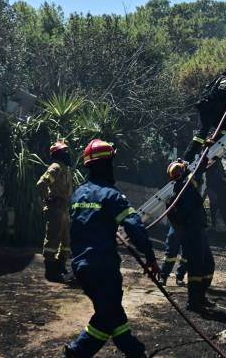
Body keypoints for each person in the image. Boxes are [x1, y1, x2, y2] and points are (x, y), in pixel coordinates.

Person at [64, 139, 160, 358]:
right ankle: (76, 352)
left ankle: (134, 351)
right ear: (108, 164)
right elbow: (134, 226)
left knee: (111, 310)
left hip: (81, 267)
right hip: (104, 267)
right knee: (106, 316)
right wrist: (151, 257)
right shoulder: (112, 195)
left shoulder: (78, 195)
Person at [165, 160, 216, 313]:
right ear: (182, 172)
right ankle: (194, 302)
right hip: (192, 233)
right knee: (197, 269)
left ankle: (200, 297)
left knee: (207, 265)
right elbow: (199, 169)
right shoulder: (185, 186)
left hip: (197, 231)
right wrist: (204, 154)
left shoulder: (182, 187)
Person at [36, 140, 74, 283]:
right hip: (56, 208)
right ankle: (50, 271)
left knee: (66, 241)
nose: (67, 154)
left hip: (64, 208)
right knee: (52, 240)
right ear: (59, 154)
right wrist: (47, 200)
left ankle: (60, 267)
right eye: (64, 151)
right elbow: (41, 184)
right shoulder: (56, 167)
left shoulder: (66, 169)